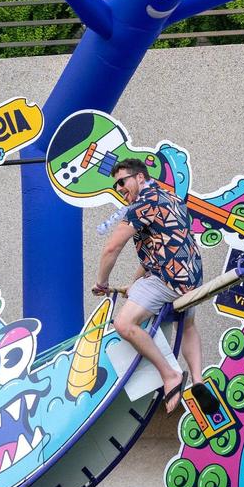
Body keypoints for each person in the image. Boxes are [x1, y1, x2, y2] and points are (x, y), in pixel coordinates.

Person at [93, 158, 203, 413]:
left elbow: (112, 248)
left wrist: (102, 283)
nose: (120, 188)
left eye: (123, 181)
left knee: (124, 323)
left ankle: (169, 375)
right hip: (193, 279)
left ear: (140, 178)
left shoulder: (141, 205)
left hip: (168, 279)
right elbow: (160, 249)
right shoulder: (172, 199)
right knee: (187, 324)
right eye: (116, 184)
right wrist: (134, 283)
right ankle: (198, 380)